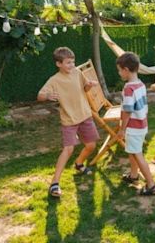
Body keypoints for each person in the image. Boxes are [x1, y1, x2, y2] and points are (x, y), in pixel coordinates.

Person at [37, 46, 100, 197]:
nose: (72, 65)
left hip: (85, 115)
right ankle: (54, 184)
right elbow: (40, 95)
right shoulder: (54, 80)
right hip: (69, 120)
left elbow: (84, 88)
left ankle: (79, 164)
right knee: (68, 149)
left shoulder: (77, 72)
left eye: (73, 62)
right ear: (59, 64)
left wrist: (89, 85)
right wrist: (47, 97)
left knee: (91, 145)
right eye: (68, 63)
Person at [116, 52, 155, 196]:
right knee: (133, 151)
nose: (119, 73)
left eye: (119, 70)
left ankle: (151, 184)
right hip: (141, 125)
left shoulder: (129, 88)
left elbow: (127, 111)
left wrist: (122, 129)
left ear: (126, 70)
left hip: (133, 127)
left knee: (137, 153)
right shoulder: (140, 84)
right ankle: (134, 176)